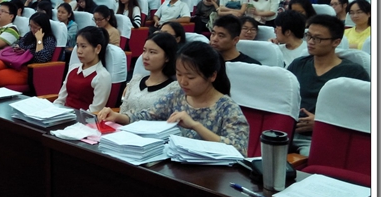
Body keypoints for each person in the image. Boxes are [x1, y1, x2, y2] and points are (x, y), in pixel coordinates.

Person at [97, 42, 249, 156]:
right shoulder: (177, 96)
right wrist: (118, 116)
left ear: (212, 76)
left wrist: (196, 126)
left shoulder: (227, 108)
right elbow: (148, 116)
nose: (182, 82)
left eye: (190, 77)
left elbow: (238, 149)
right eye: (179, 74)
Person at [287, 15, 370, 156]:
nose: (310, 42)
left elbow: (361, 114)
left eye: (318, 38)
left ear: (336, 42)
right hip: (288, 129)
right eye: (309, 36)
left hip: (321, 135)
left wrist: (323, 122)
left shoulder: (353, 72)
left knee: (310, 156)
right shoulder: (298, 64)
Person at [107, 32, 177, 117]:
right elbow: (123, 110)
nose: (145, 57)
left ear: (167, 57)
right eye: (144, 51)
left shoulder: (174, 88)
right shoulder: (136, 80)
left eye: (152, 52)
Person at [0, 13, 57, 88]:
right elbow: (18, 44)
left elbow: (41, 59)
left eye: (35, 27)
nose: (32, 30)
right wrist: (17, 48)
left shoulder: (49, 39)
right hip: (14, 62)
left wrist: (39, 40)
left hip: (26, 68)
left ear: (43, 27)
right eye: (30, 26)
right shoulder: (29, 35)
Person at [53, 26, 111, 113]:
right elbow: (61, 99)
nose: (79, 51)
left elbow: (95, 111)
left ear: (97, 48)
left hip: (83, 119)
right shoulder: (73, 69)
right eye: (77, 46)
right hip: (63, 115)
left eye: (83, 46)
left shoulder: (102, 76)